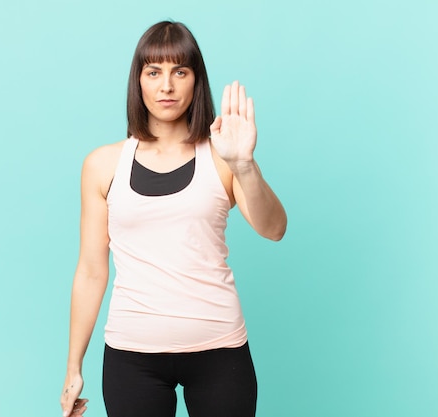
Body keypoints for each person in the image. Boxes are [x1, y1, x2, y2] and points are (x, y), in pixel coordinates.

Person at [60, 20, 287, 417]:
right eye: (154, 72)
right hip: (132, 355)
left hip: (219, 350)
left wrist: (245, 164)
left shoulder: (223, 158)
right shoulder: (103, 164)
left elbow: (274, 229)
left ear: (196, 81)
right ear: (139, 81)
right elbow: (92, 271)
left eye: (179, 71)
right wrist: (73, 366)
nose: (167, 86)